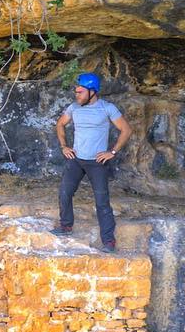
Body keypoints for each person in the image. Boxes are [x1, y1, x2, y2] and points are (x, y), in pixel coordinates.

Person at [53, 72, 131, 251]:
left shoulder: (107, 108)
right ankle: (66, 226)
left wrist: (112, 152)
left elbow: (126, 130)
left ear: (92, 92)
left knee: (102, 201)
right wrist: (64, 146)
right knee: (64, 192)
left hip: (97, 162)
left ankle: (108, 241)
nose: (77, 95)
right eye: (76, 92)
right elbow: (60, 124)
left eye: (80, 92)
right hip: (76, 160)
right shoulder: (73, 108)